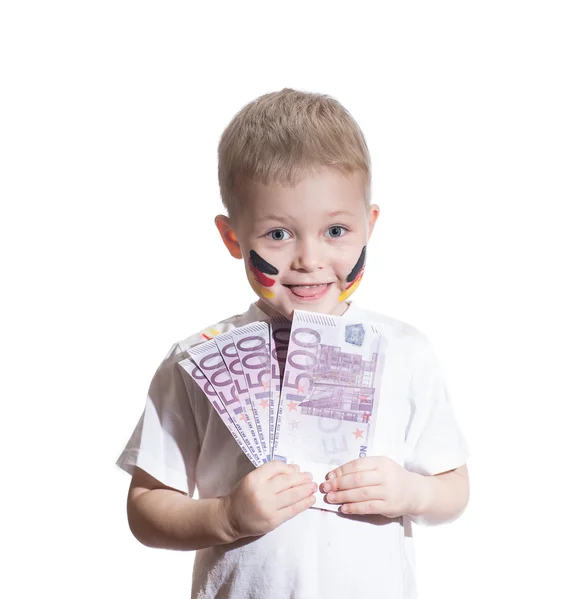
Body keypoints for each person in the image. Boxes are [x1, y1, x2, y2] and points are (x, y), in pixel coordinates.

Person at [116, 88, 470, 598]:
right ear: (233, 237)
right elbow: (146, 507)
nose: (309, 259)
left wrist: (411, 491)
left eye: (336, 230)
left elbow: (454, 487)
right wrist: (224, 517)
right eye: (278, 235)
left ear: (369, 227)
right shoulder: (197, 360)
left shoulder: (404, 350)